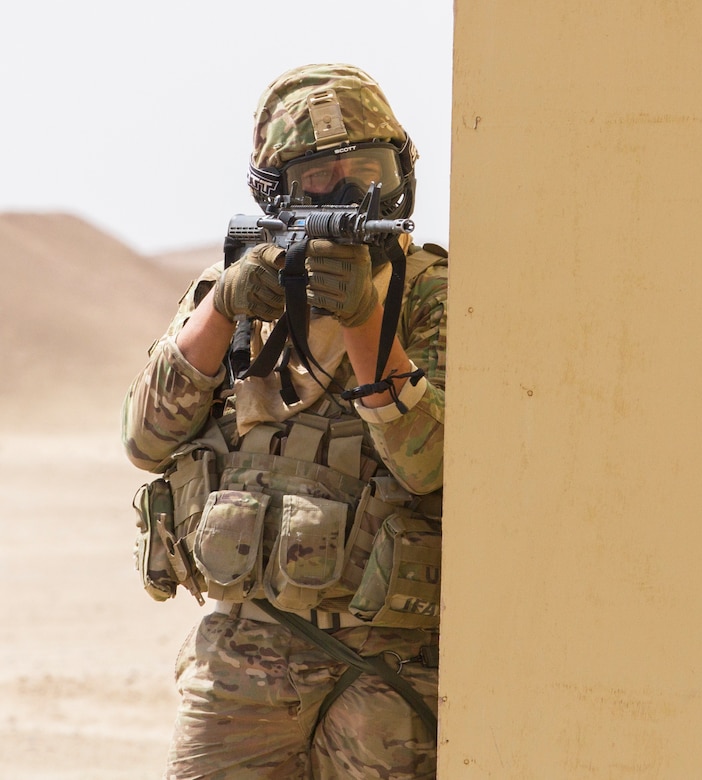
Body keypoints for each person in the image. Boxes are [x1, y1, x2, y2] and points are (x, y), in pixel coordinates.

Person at [123, 63, 447, 779]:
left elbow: (428, 465)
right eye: (318, 180)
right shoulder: (232, 290)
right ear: (274, 193)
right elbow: (145, 440)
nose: (348, 192)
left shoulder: (431, 296)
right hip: (244, 658)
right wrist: (226, 308)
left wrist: (364, 319)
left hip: (388, 670)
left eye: (367, 169)